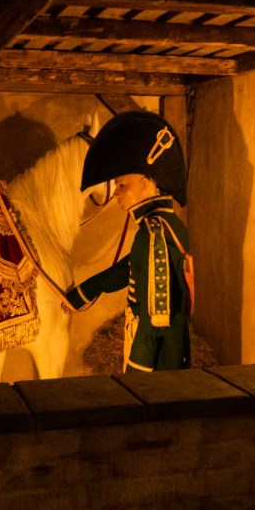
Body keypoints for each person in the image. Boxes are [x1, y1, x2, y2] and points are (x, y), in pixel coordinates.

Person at [65, 111, 193, 372]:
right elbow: (132, 266)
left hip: (155, 357)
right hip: (168, 349)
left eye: (123, 186)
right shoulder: (165, 224)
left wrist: (137, 372)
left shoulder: (154, 232)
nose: (117, 194)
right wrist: (85, 292)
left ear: (145, 185)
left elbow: (156, 318)